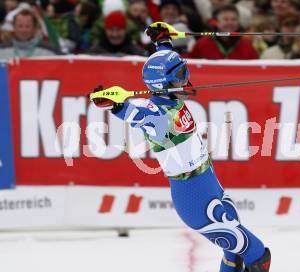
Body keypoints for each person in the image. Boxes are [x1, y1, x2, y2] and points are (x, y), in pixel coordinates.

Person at [89, 23, 271, 272]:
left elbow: (162, 70)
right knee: (258, 255)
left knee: (234, 253)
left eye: (185, 73)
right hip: (194, 198)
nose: (187, 81)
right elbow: (138, 114)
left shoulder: (168, 96)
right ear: (167, 82)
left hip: (209, 183)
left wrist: (162, 41)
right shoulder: (155, 113)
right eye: (181, 76)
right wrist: (115, 104)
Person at [188, 4, 259, 59]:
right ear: (216, 22)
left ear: (238, 22)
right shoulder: (202, 44)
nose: (230, 23)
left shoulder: (247, 45)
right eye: (226, 19)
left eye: (233, 19)